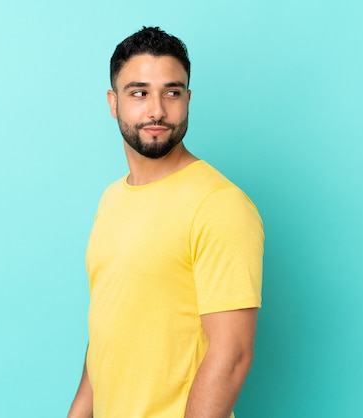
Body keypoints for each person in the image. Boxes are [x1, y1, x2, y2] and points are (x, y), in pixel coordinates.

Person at [67, 26, 264, 418]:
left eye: (171, 92)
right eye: (138, 92)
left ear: (188, 99)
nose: (156, 109)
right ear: (113, 102)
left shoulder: (219, 204)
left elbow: (233, 356)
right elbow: (109, 331)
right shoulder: (112, 199)